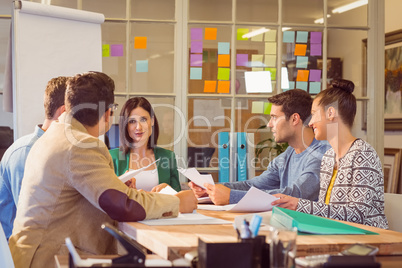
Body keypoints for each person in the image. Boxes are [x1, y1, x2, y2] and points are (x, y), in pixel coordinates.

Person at [9, 71, 197, 268]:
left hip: (30, 253)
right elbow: (123, 206)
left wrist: (115, 185)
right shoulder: (81, 145)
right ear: (108, 113)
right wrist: (175, 202)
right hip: (50, 259)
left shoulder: (54, 134)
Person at [272, 79, 389, 229]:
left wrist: (299, 204)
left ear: (330, 113)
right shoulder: (328, 157)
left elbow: (358, 215)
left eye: (314, 114)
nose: (310, 122)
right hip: (336, 234)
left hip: (368, 240)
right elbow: (325, 211)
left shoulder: (363, 154)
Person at [189, 89, 330, 205]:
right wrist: (211, 189)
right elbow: (254, 185)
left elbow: (294, 194)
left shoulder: (322, 154)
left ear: (294, 119)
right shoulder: (287, 155)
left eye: (274, 117)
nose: (269, 124)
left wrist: (232, 196)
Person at [0, 76, 68, 241]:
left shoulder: (51, 150)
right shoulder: (28, 151)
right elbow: (31, 219)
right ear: (64, 112)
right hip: (16, 253)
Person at [109, 97, 181, 192]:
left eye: (143, 119)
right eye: (132, 121)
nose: (138, 127)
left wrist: (167, 189)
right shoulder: (112, 157)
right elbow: (104, 197)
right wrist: (124, 191)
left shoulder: (168, 157)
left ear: (152, 121)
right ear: (126, 125)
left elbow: (179, 198)